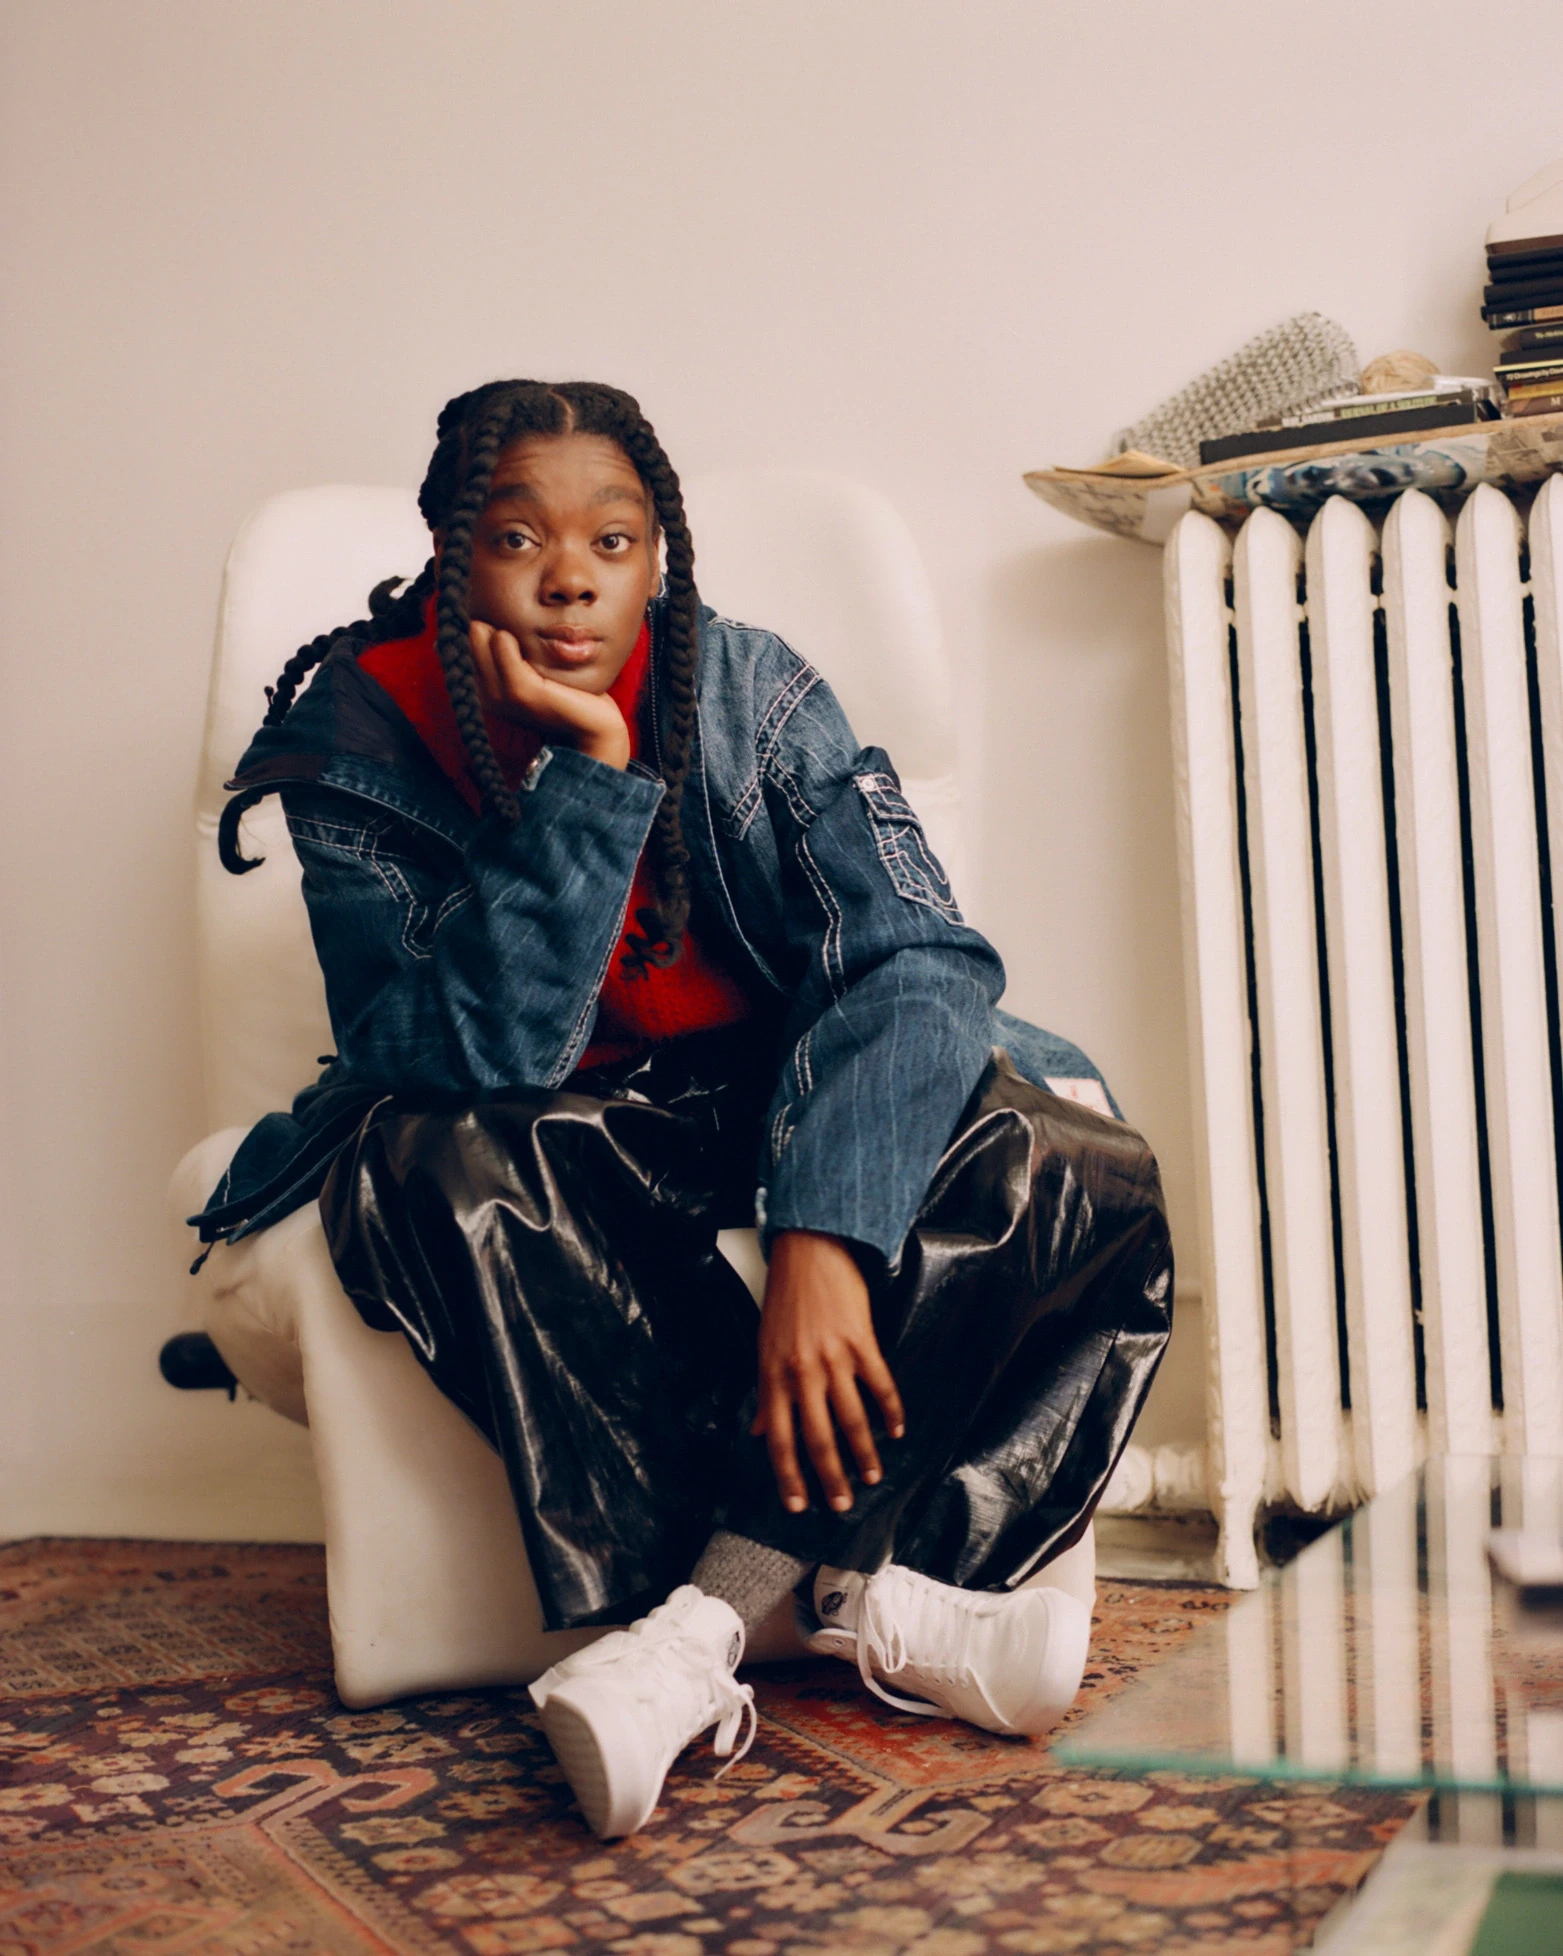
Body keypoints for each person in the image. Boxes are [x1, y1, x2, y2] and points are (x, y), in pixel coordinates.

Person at [189, 378, 1173, 1841]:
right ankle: (850, 1595)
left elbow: (917, 953)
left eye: (613, 539)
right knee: (436, 1169)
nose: (571, 578)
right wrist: (587, 776)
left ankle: (699, 1630)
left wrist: (823, 1235)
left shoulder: (747, 690)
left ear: (659, 554)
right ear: (452, 553)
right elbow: (468, 1050)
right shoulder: (359, 735)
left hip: (774, 1095)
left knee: (1072, 1160)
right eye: (518, 538)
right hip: (557, 1127)